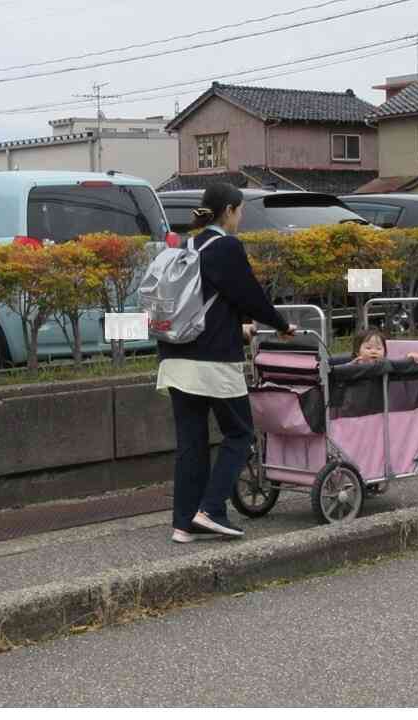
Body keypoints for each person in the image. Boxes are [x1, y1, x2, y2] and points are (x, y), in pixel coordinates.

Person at [156, 183, 295, 544]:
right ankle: (212, 510)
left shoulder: (186, 246)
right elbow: (249, 295)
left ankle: (184, 523)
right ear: (230, 210)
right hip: (212, 363)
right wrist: (282, 325)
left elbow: (209, 303)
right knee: (240, 433)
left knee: (192, 443)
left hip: (175, 357)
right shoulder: (226, 246)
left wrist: (238, 327)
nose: (241, 218)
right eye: (241, 211)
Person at [348, 328, 418, 365]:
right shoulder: (354, 365)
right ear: (357, 352)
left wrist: (408, 357)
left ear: (385, 352)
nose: (374, 351)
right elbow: (340, 371)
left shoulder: (385, 364)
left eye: (379, 348)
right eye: (368, 348)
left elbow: (398, 364)